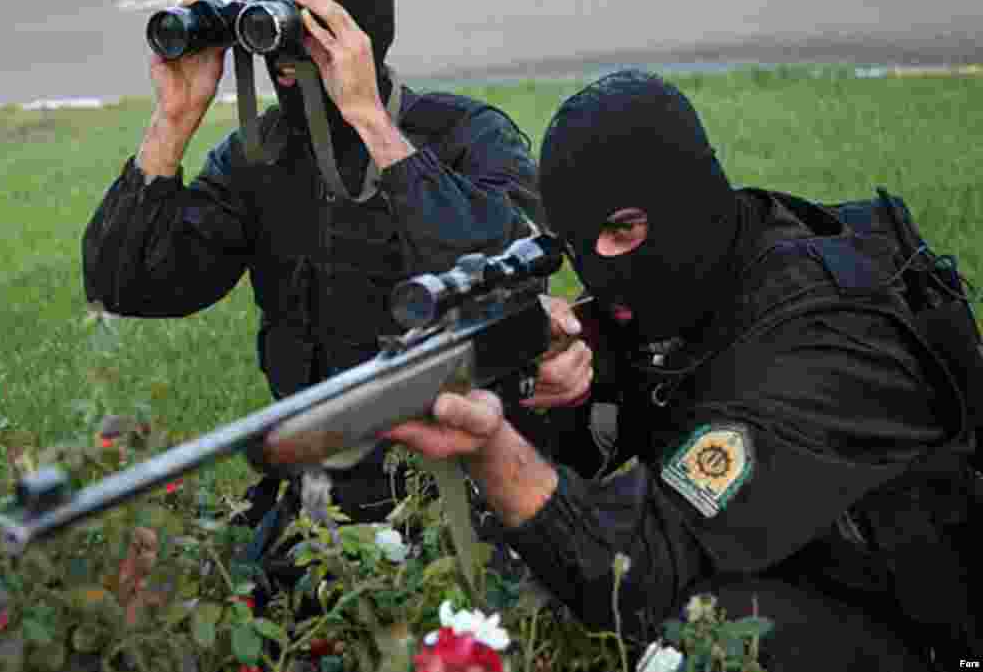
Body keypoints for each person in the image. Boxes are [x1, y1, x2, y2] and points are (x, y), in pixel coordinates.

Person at [268, 70, 980, 669]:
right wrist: (545, 392)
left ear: (687, 196)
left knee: (699, 638)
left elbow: (643, 571)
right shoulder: (704, 273)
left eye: (623, 231)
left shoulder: (822, 342)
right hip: (799, 564)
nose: (604, 265)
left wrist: (496, 448)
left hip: (924, 630)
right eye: (581, 246)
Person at [82, 0, 548, 535]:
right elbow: (128, 284)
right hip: (316, 495)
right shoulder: (259, 157)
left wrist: (373, 125)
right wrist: (174, 120)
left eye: (306, 29)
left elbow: (517, 271)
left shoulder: (465, 136)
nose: (282, 55)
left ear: (361, 36)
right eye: (269, 29)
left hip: (454, 484)